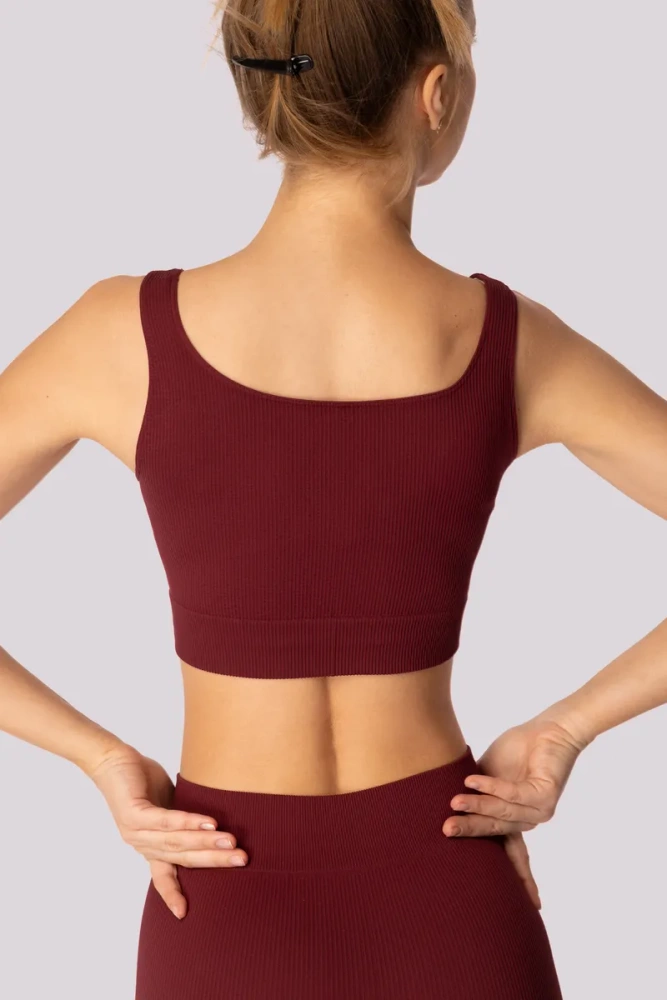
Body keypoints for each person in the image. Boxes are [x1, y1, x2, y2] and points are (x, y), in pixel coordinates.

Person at [1, 0, 665, 997]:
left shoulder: (118, 334)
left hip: (220, 905)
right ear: (435, 94)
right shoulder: (508, 341)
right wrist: (565, 729)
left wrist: (96, 757)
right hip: (451, 900)